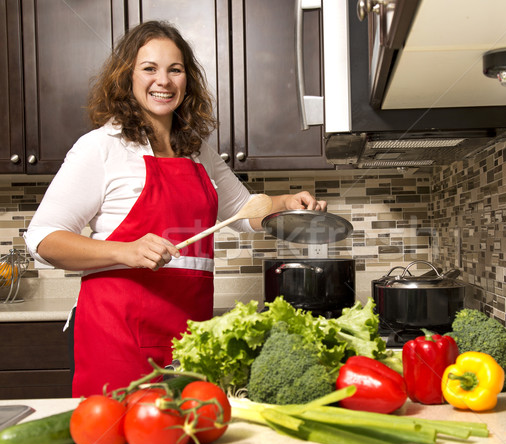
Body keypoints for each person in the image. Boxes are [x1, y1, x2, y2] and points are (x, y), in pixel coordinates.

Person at [24, 20, 326, 398]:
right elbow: (42, 238)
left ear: (188, 80)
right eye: (149, 68)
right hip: (119, 337)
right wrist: (125, 250)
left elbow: (244, 212)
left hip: (188, 338)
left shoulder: (199, 151)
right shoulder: (101, 147)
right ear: (127, 78)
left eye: (175, 69)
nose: (162, 81)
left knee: (188, 442)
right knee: (118, 442)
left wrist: (286, 203)